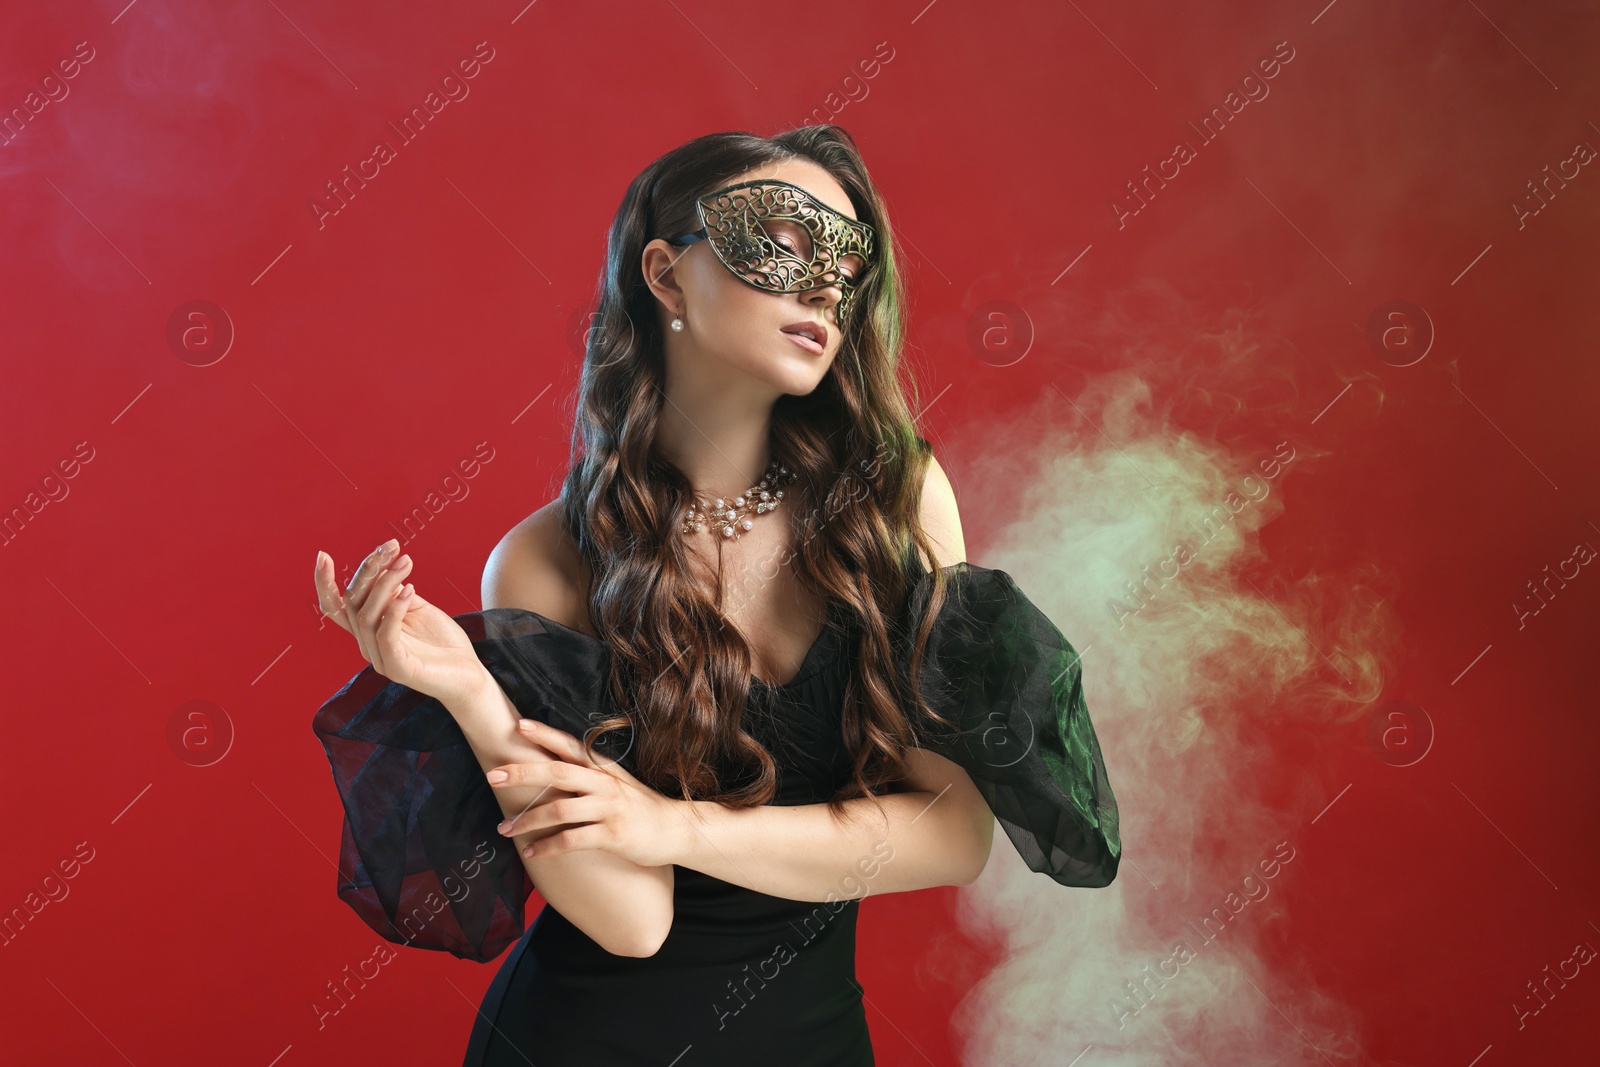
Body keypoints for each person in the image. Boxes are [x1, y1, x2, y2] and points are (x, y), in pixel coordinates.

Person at [310, 126, 1121, 1067]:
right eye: (786, 241)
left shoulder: (893, 501)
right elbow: (633, 921)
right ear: (664, 274)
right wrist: (473, 699)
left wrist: (674, 823)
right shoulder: (546, 559)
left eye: (850, 264)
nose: (827, 285)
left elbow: (950, 833)